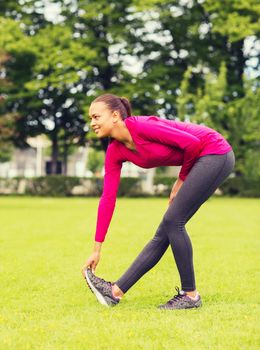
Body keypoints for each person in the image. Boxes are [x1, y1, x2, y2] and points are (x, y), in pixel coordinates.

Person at [82, 93, 235, 309]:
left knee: (173, 222)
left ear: (115, 115)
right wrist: (96, 249)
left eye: (96, 117)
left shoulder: (141, 126)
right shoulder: (115, 151)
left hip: (213, 152)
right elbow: (108, 198)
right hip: (202, 158)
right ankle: (115, 292)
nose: (92, 123)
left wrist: (179, 182)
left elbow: (192, 144)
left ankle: (190, 295)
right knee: (166, 230)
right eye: (91, 118)